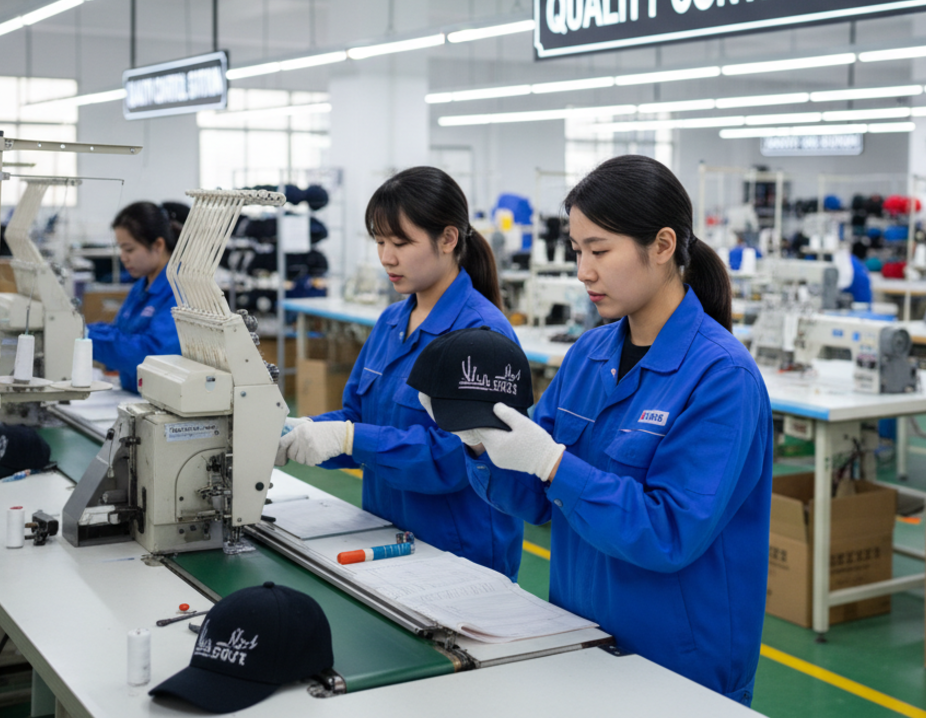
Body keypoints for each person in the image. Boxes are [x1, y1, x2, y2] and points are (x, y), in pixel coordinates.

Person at [457, 155, 772, 704]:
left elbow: (671, 531)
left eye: (600, 250)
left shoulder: (722, 378)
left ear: (664, 245)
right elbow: (534, 499)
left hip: (677, 660)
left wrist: (554, 463)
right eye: (578, 250)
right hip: (581, 637)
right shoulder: (589, 353)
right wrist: (481, 443)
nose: (583, 270)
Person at [276, 167, 524, 579]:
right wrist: (300, 432)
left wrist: (351, 439)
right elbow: (355, 416)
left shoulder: (482, 336)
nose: (386, 257)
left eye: (401, 242)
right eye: (379, 241)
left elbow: (452, 458)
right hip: (386, 537)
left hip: (459, 554)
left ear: (447, 239)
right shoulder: (392, 321)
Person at [87, 202, 181, 392]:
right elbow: (119, 331)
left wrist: (87, 338)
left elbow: (153, 356)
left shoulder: (180, 290)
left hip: (161, 403)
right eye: (121, 249)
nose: (123, 257)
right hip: (132, 395)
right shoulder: (142, 285)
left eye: (129, 249)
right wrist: (81, 330)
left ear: (158, 245)